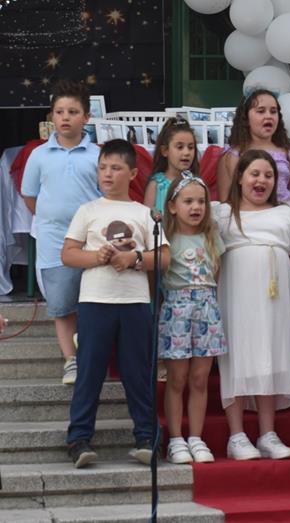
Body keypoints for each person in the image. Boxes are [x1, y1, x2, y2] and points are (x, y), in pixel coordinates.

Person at [62, 139, 171, 468]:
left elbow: (164, 257)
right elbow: (68, 254)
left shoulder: (143, 213)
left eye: (116, 168)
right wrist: (98, 257)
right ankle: (79, 439)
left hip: (134, 302)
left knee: (138, 372)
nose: (107, 174)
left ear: (133, 173)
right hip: (95, 300)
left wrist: (134, 259)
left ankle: (147, 437)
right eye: (102, 168)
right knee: (89, 371)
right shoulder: (88, 211)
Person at [213, 149, 290, 460]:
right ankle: (237, 436)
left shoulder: (286, 213)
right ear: (240, 177)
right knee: (238, 356)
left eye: (268, 175)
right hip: (237, 294)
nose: (261, 180)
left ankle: (267, 433)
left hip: (275, 297)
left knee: (270, 355)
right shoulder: (223, 214)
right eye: (254, 173)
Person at [217, 89, 290, 366]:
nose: (268, 116)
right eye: (260, 111)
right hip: (249, 237)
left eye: (273, 111)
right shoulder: (232, 156)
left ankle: (284, 361)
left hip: (284, 235)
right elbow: (226, 202)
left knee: (283, 296)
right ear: (245, 117)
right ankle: (249, 361)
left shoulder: (287, 154)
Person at [21, 79, 101, 385]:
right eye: (59, 111)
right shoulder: (39, 155)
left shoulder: (96, 155)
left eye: (73, 111)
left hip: (91, 242)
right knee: (62, 305)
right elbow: (30, 196)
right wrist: (52, 217)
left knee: (92, 302)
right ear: (52, 116)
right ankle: (70, 360)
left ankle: (91, 355)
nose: (65, 117)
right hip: (54, 242)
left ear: (86, 117)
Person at [159, 173, 227, 464]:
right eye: (188, 201)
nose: (196, 207)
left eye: (201, 201)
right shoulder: (166, 238)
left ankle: (196, 438)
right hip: (177, 309)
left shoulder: (211, 237)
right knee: (177, 378)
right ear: (172, 206)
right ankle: (176, 439)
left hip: (207, 308)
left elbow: (216, 273)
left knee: (199, 378)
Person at [143, 118, 200, 215]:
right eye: (180, 147)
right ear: (165, 150)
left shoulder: (196, 183)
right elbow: (146, 219)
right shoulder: (156, 185)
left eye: (190, 147)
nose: (186, 152)